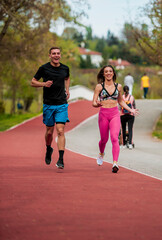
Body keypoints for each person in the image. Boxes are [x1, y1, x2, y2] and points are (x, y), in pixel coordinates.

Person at [92, 65, 138, 173]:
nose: (108, 73)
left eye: (110, 71)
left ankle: (115, 163)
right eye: (106, 71)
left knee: (114, 138)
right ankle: (101, 153)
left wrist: (131, 110)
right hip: (103, 114)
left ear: (113, 73)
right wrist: (97, 104)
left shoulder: (119, 86)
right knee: (104, 139)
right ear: (103, 74)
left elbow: (120, 101)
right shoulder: (99, 87)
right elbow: (93, 102)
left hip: (114, 114)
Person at [31, 47, 70, 169]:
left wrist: (67, 90)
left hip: (62, 104)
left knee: (60, 131)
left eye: (58, 53)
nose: (56, 55)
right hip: (48, 104)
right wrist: (44, 84)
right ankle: (48, 148)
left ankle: (61, 159)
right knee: (49, 132)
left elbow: (67, 78)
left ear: (60, 55)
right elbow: (33, 82)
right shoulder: (44, 68)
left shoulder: (65, 68)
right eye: (54, 53)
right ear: (50, 55)